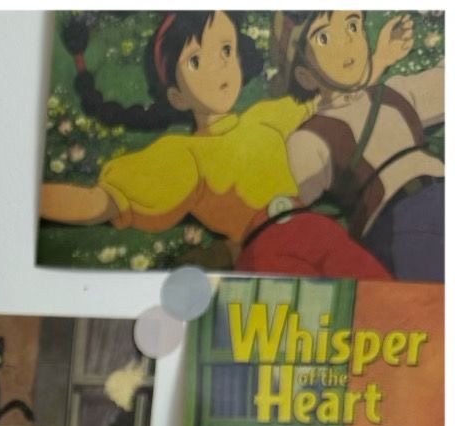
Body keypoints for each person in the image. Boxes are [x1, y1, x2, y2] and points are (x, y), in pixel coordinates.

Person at [40, 11, 391, 278]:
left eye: (226, 50)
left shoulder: (266, 116)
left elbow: (329, 94)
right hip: (267, 249)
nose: (218, 66)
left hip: (317, 231)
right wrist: (22, 198)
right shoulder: (186, 155)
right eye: (196, 60)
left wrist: (383, 59)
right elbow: (99, 202)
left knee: (382, 295)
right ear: (177, 96)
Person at [273, 11, 444, 281]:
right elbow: (308, 220)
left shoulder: (396, 91)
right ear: (305, 76)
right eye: (324, 37)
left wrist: (384, 58)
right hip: (398, 224)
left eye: (353, 26)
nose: (347, 41)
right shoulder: (310, 137)